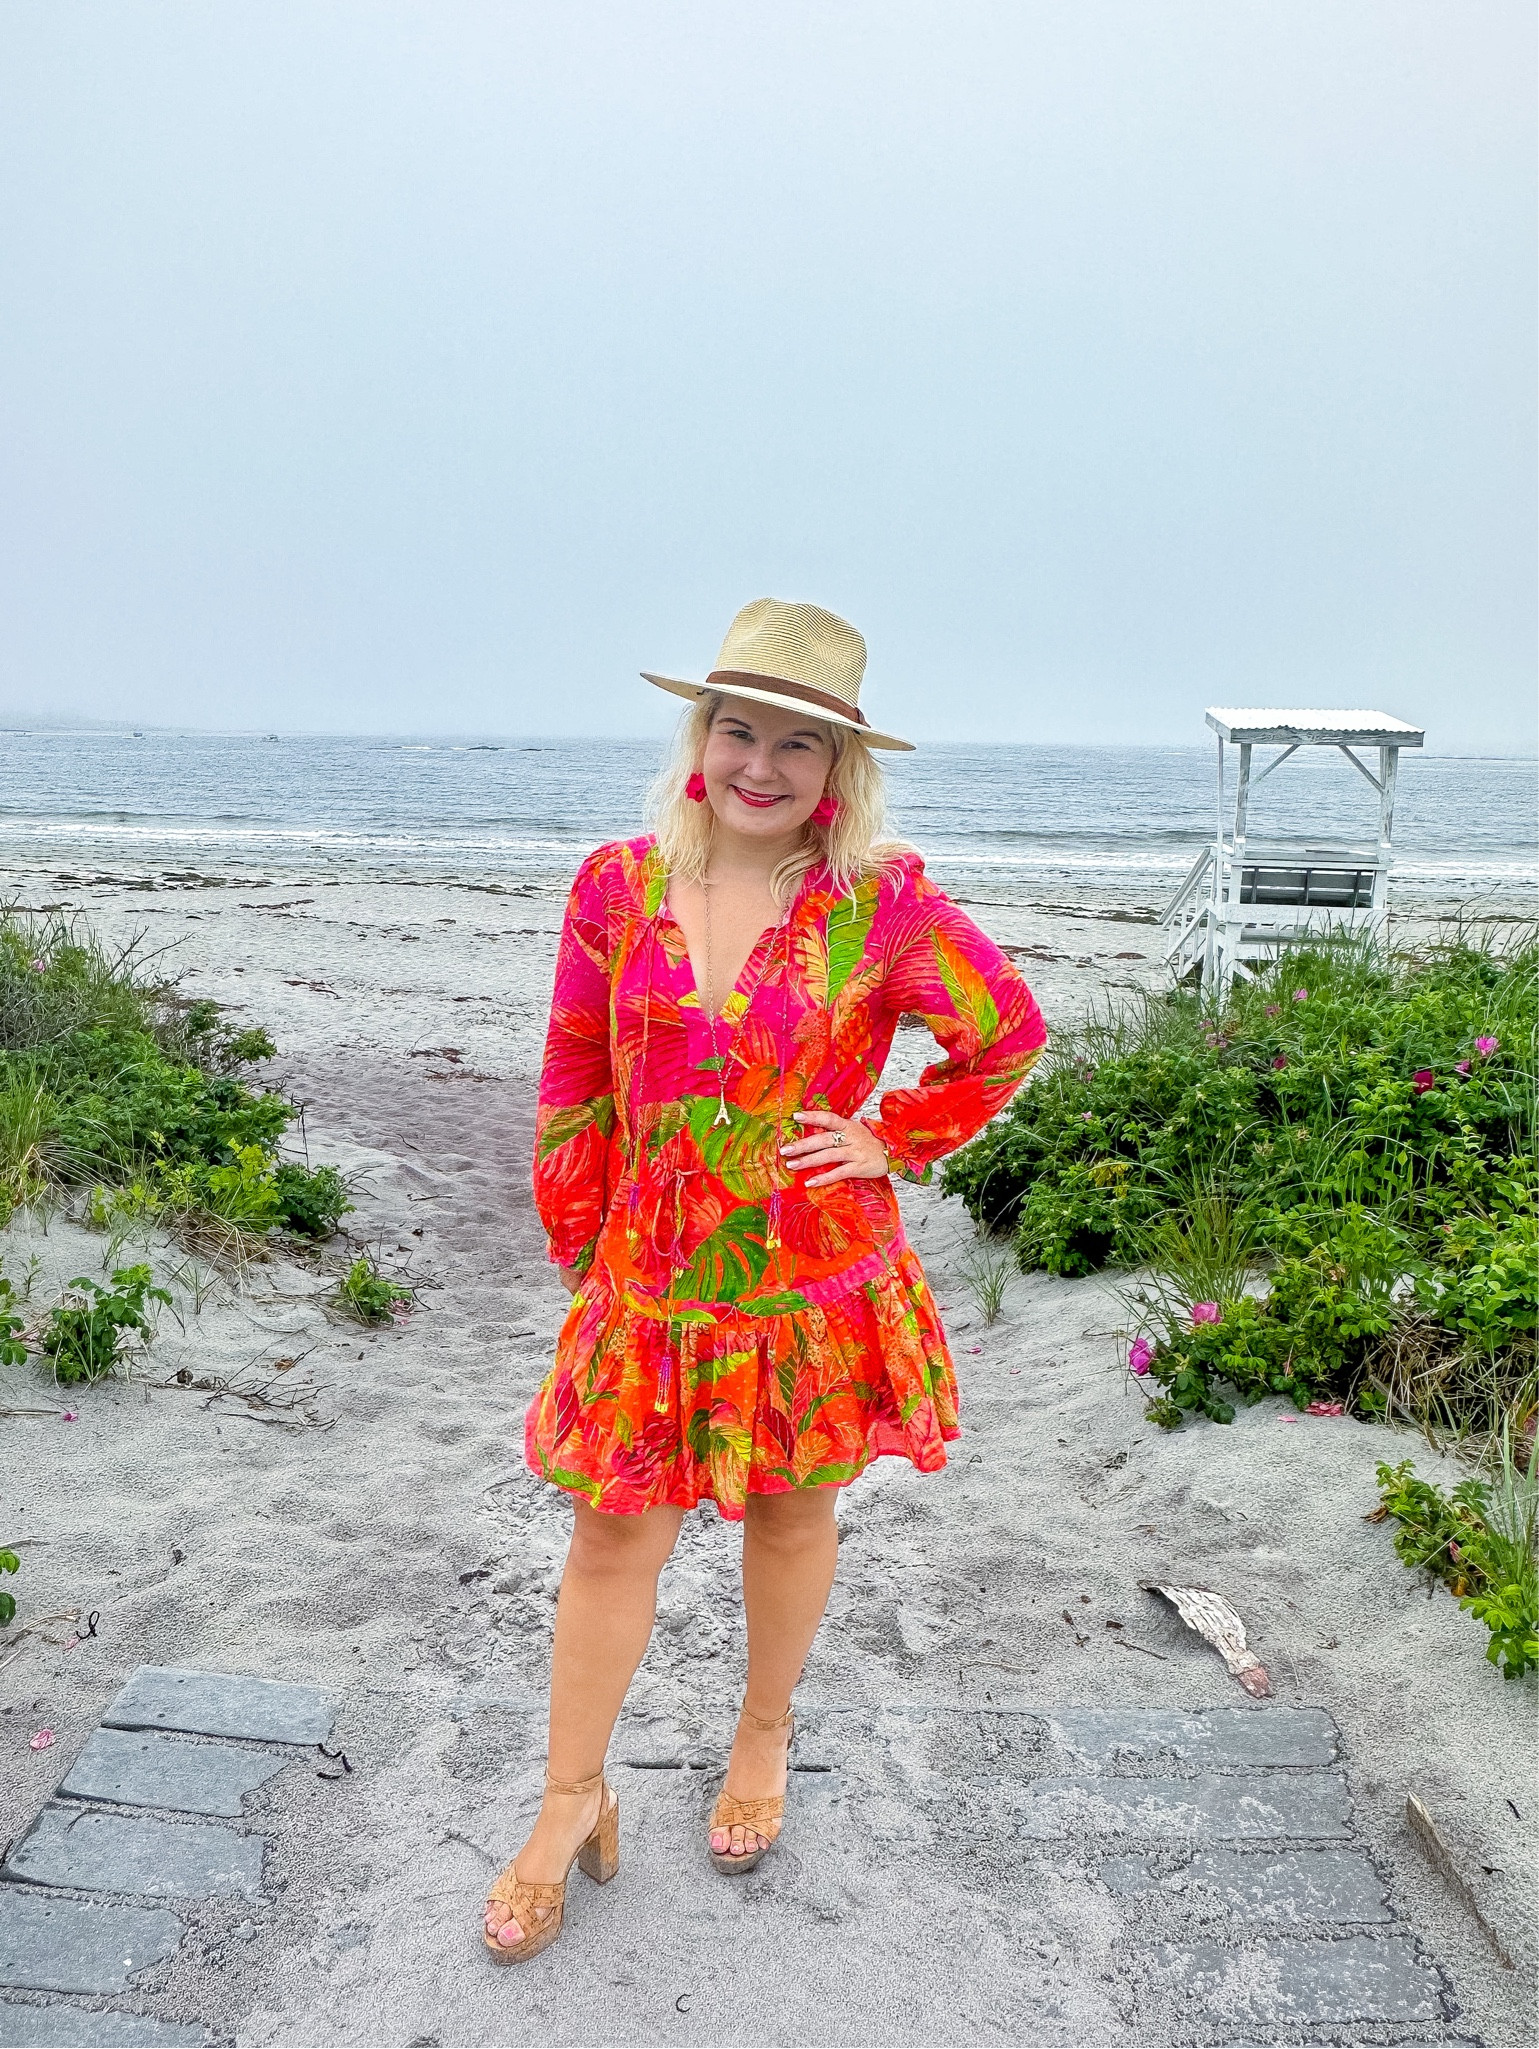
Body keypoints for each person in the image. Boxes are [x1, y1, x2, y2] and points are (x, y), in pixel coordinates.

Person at [484, 598, 1046, 1963]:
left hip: (810, 1284)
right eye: (741, 730)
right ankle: (570, 1798)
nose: (763, 764)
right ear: (702, 738)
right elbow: (575, 1071)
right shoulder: (615, 884)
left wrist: (893, 1134)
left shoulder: (881, 904)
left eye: (800, 743)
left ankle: (762, 1732)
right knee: (610, 1536)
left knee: (790, 1520)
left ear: (838, 766)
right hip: (652, 1281)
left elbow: (1006, 1034)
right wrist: (583, 1240)